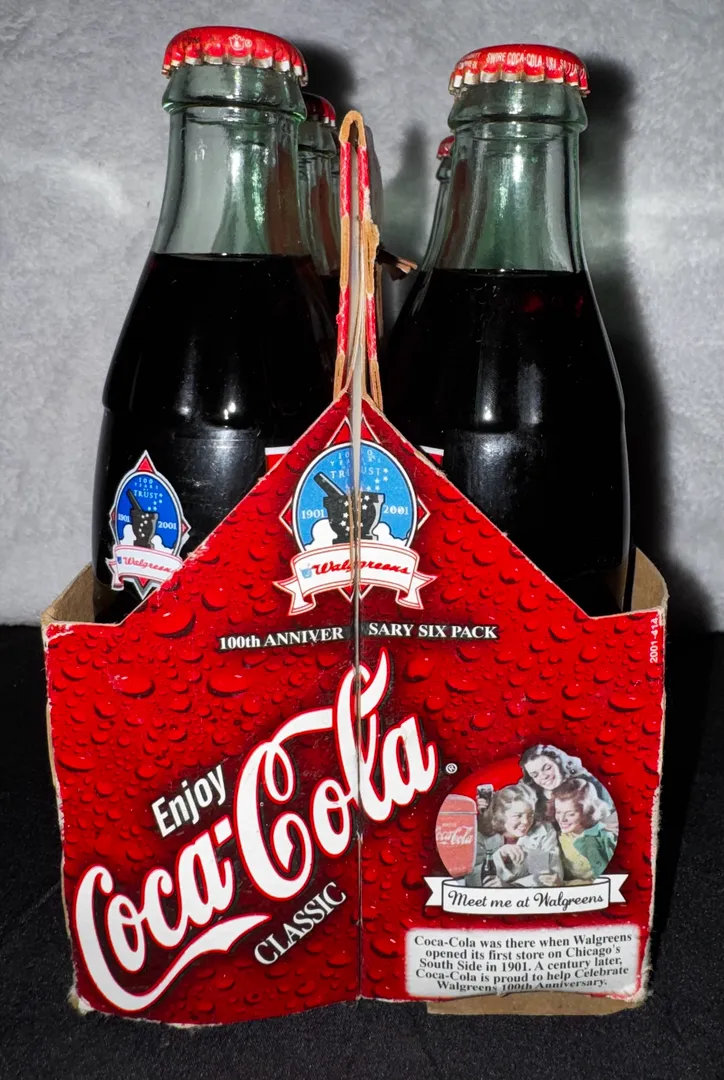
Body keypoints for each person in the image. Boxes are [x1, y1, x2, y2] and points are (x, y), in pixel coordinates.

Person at [467, 784, 563, 888]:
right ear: (501, 815)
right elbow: (471, 880)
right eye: (518, 815)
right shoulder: (480, 833)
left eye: (530, 814)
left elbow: (548, 876)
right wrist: (499, 856)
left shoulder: (542, 831)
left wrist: (511, 886)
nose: (526, 821)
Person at [519, 744, 617, 834]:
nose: (543, 776)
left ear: (558, 762)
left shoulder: (588, 783)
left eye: (547, 768)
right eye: (535, 775)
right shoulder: (535, 797)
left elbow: (612, 815)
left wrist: (604, 826)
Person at [552, 778, 617, 882]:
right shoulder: (558, 837)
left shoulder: (603, 837)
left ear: (588, 811)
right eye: (558, 812)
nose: (562, 819)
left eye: (570, 814)